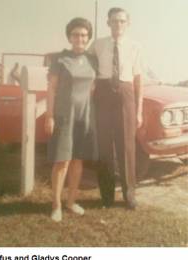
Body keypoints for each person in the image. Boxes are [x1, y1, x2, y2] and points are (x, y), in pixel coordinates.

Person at [89, 7, 143, 209]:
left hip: (126, 93)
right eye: (114, 21)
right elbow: (87, 70)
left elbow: (138, 79)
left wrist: (138, 110)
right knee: (104, 147)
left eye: (121, 21)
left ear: (127, 24)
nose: (117, 25)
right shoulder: (97, 45)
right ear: (108, 23)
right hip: (103, 94)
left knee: (126, 146)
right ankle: (106, 197)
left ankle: (129, 195)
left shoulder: (135, 46)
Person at [45, 18, 97, 222]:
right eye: (76, 34)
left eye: (84, 35)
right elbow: (51, 89)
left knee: (77, 160)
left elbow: (93, 88)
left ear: (88, 38)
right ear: (69, 36)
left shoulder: (92, 60)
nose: (80, 38)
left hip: (84, 116)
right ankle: (56, 205)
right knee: (62, 161)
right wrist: (49, 116)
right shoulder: (59, 59)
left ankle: (71, 201)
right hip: (64, 115)